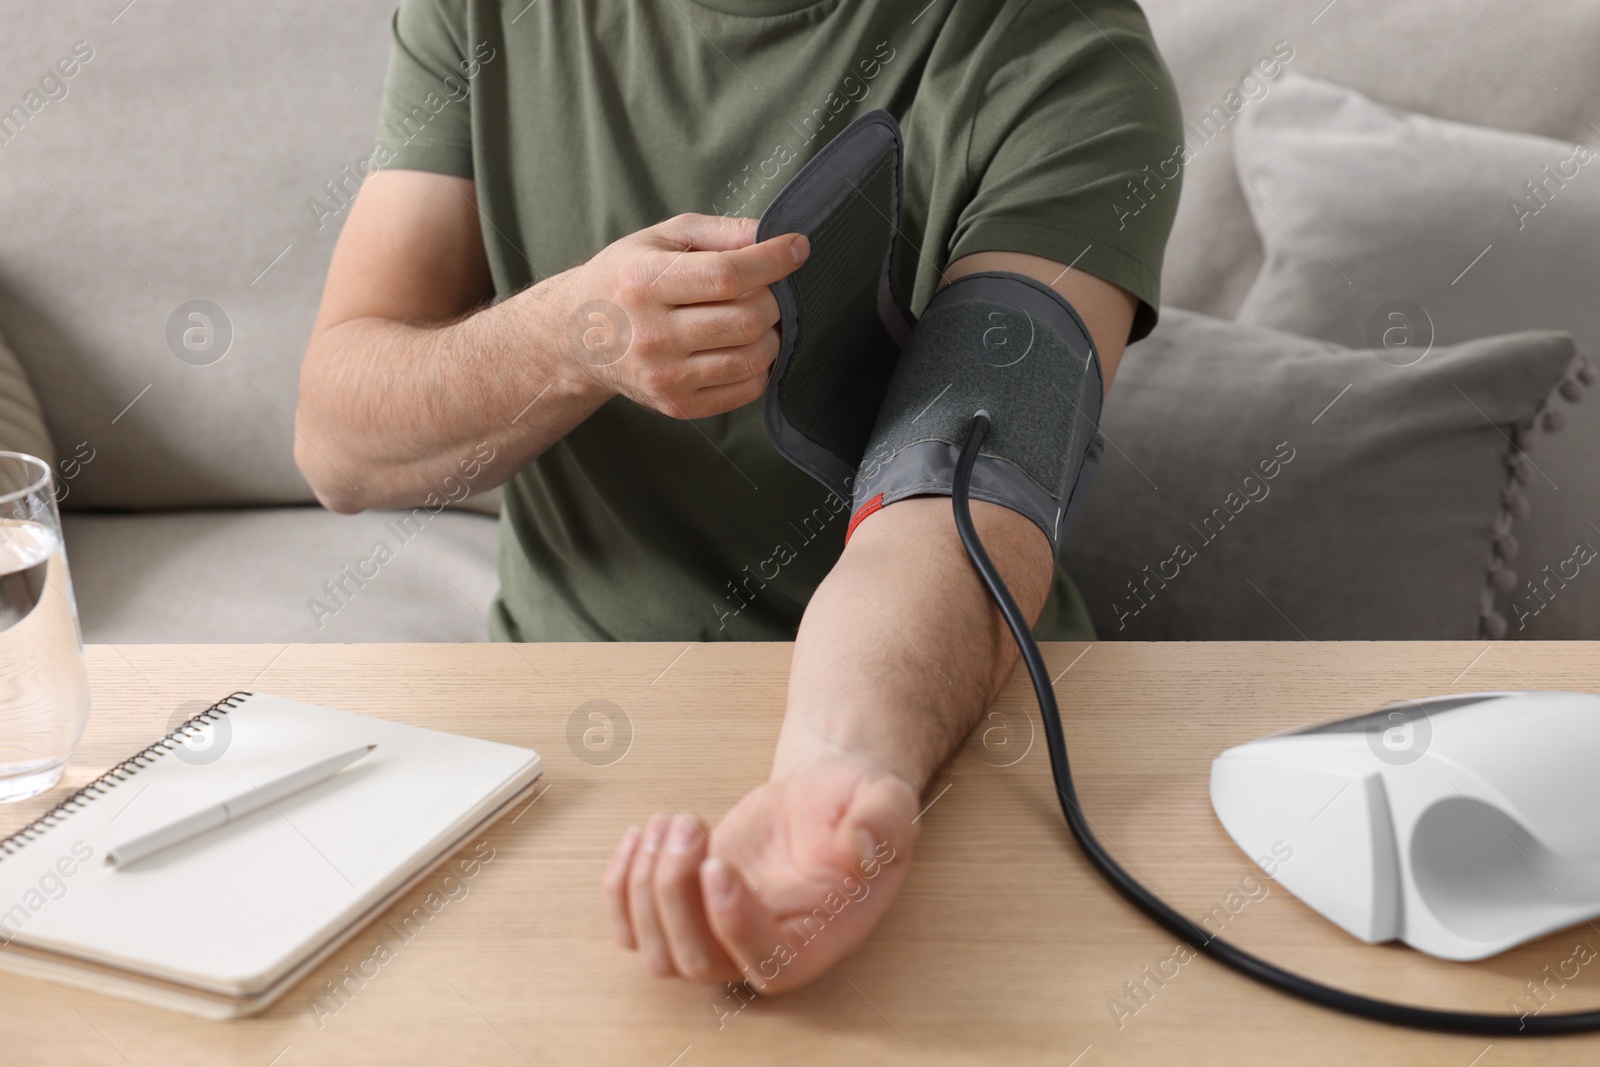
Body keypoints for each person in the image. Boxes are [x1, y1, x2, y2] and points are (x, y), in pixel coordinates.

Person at [295, 0, 1181, 993]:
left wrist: (836, 773)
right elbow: (339, 443)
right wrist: (569, 334)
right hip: (570, 716)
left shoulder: (1063, 58)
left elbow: (957, 500)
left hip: (924, 732)